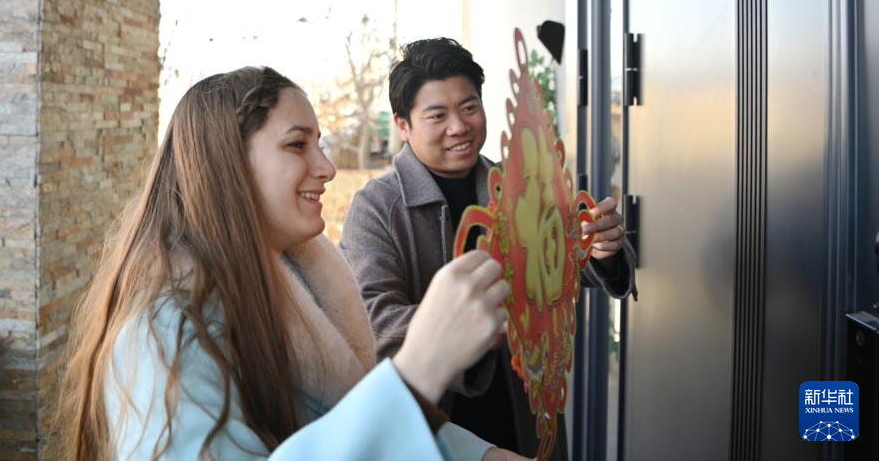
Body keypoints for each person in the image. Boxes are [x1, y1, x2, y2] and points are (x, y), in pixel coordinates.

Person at [54, 66, 530, 461]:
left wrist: (480, 456)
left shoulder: (300, 284)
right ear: (228, 163)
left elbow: (335, 416)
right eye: (297, 145)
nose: (326, 167)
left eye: (319, 143)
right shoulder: (168, 331)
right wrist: (419, 368)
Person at [339, 38, 636, 459]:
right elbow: (375, 323)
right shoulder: (376, 208)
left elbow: (563, 262)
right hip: (440, 431)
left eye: (469, 107)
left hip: (531, 418)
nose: (458, 126)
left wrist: (603, 251)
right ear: (403, 125)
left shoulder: (520, 184)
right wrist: (474, 325)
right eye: (437, 115)